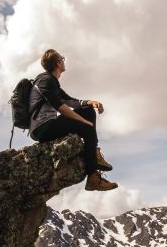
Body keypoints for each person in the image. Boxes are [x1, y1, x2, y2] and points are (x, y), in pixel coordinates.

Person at [29, 49, 118, 191]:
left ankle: (93, 151)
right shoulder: (45, 81)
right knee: (87, 128)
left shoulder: (52, 81)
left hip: (49, 125)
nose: (64, 61)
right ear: (58, 63)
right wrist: (83, 123)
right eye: (62, 58)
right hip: (42, 129)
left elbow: (69, 100)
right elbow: (61, 107)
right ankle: (93, 177)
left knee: (87, 110)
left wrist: (89, 102)